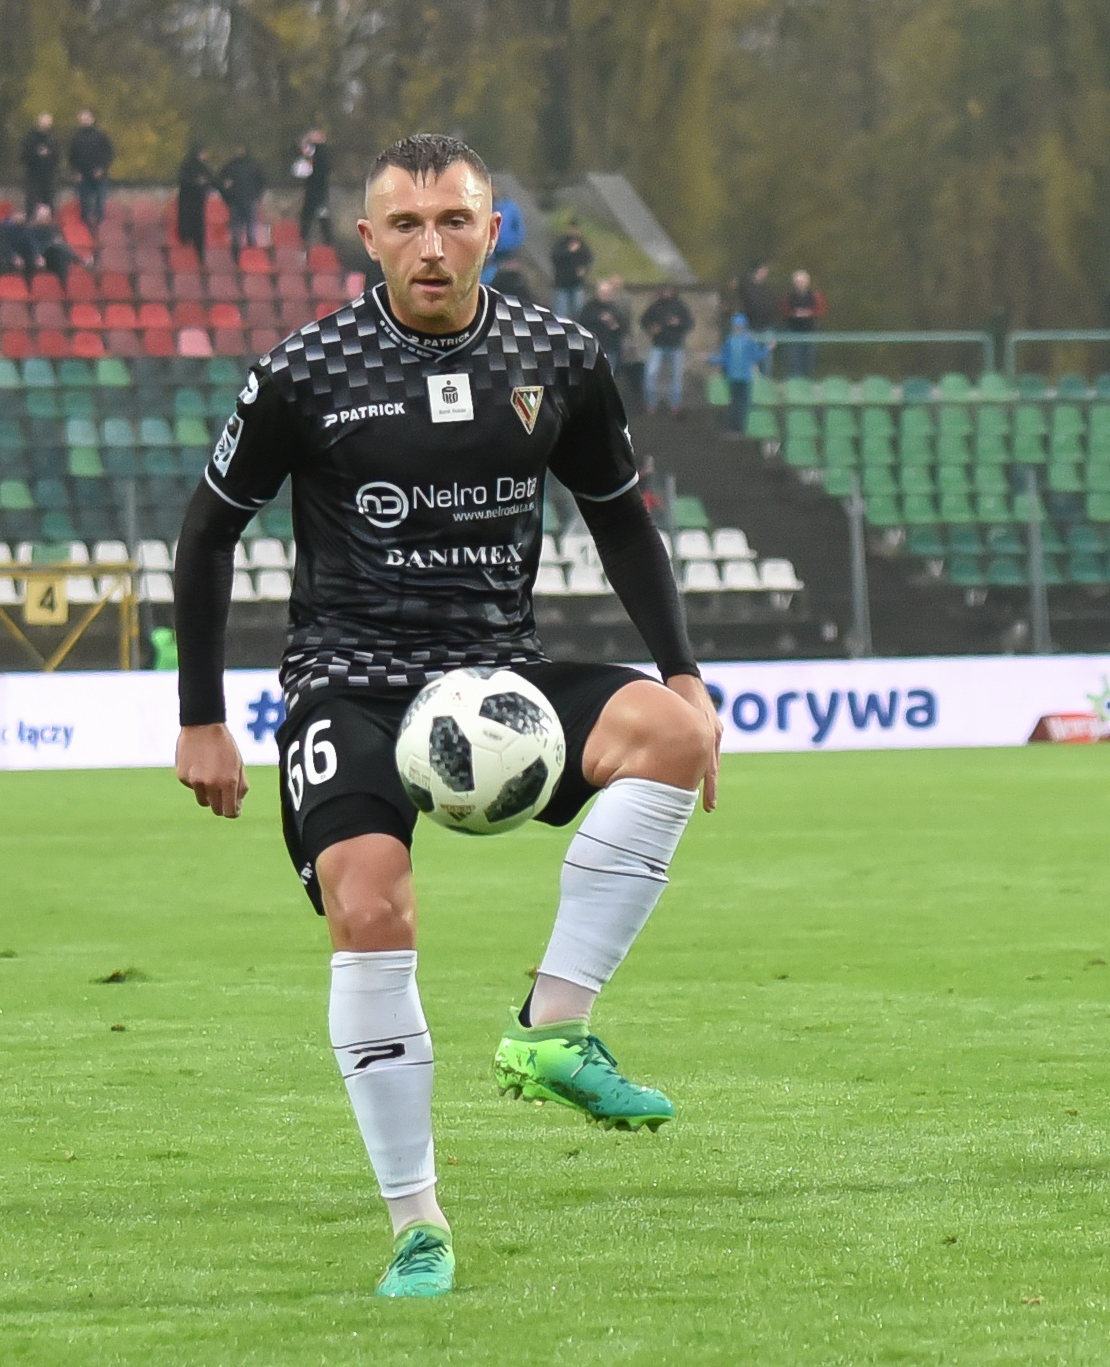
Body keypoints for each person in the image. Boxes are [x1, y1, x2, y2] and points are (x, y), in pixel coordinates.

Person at [172, 133, 721, 1300]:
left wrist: (682, 670)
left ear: (492, 231)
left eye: (454, 220)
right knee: (370, 904)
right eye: (407, 224)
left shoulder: (557, 356)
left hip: (496, 683)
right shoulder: (305, 370)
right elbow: (207, 530)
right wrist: (201, 716)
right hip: (349, 680)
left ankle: (552, 1028)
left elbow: (620, 517)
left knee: (673, 736)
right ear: (367, 238)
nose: (431, 245)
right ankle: (416, 1222)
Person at [709, 312, 773, 433]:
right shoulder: (743, 341)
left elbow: (723, 358)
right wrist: (767, 349)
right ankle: (740, 427)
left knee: (737, 403)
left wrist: (710, 359)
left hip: (738, 378)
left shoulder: (733, 340)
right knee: (741, 403)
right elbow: (756, 356)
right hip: (740, 378)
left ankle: (737, 427)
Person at [638, 284, 693, 416]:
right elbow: (643, 320)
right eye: (665, 291)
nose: (667, 293)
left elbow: (689, 323)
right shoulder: (656, 306)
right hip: (658, 345)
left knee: (676, 377)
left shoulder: (680, 306)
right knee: (650, 373)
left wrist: (678, 323)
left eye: (669, 291)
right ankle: (651, 404)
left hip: (676, 346)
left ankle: (675, 405)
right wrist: (651, 328)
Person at [67, 110, 115, 237]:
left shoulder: (100, 135)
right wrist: (75, 172)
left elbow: (109, 153)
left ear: (92, 119)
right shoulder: (76, 137)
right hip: (83, 176)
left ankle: (100, 225)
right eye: (82, 119)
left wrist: (102, 168)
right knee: (84, 202)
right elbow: (71, 156)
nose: (84, 121)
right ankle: (86, 228)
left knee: (100, 200)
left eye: (86, 118)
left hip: (99, 175)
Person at [576, 276, 630, 373]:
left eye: (607, 293)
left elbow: (623, 327)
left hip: (610, 348)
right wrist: (598, 318)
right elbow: (582, 323)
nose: (604, 295)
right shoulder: (589, 307)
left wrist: (614, 324)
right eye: (602, 292)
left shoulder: (616, 308)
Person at [220, 144, 266, 255]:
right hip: (245, 200)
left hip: (237, 200)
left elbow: (222, 183)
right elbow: (262, 182)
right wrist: (257, 197)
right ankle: (250, 250)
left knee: (239, 227)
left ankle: (239, 251)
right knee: (248, 226)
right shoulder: (253, 165)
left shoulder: (230, 166)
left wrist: (227, 196)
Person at [780, 269, 825, 378]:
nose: (801, 284)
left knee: (809, 360)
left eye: (803, 281)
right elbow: (784, 310)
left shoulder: (815, 295)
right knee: (793, 360)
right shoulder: (788, 296)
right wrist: (795, 314)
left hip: (810, 331)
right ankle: (793, 382)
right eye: (798, 281)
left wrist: (809, 314)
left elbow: (820, 310)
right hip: (793, 331)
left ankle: (807, 381)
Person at [293, 129, 333, 248]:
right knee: (317, 215)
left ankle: (309, 238)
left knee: (313, 214)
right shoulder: (319, 151)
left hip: (316, 188)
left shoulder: (319, 151)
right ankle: (326, 240)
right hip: (318, 188)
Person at [549, 220, 594, 319]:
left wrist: (584, 269)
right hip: (562, 284)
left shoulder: (582, 245)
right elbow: (555, 257)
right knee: (561, 314)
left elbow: (589, 259)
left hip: (576, 284)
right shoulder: (561, 243)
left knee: (578, 313)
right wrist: (569, 251)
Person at [175, 146, 215, 255]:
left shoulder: (187, 166)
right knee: (197, 230)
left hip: (189, 202)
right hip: (195, 202)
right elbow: (210, 180)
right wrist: (199, 182)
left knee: (188, 228)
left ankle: (188, 245)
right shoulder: (200, 167)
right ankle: (197, 254)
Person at [25, 203, 76, 285]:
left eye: (46, 215)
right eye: (42, 215)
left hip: (52, 254)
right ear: (36, 215)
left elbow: (61, 241)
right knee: (58, 246)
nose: (44, 218)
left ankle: (63, 285)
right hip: (37, 255)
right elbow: (31, 244)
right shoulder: (29, 229)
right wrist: (37, 256)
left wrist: (57, 241)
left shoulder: (54, 228)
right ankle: (79, 259)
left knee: (60, 252)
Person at [21, 113, 59, 210]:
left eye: (48, 123)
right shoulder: (30, 138)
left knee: (48, 200)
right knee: (32, 200)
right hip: (33, 174)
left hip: (48, 175)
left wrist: (49, 155)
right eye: (44, 123)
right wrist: (37, 154)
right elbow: (24, 156)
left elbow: (56, 156)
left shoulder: (52, 138)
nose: (46, 125)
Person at [484, 192, 523, 284]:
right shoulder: (486, 211)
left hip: (507, 249)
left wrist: (515, 242)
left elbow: (519, 228)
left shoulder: (510, 207)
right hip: (492, 249)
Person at [733, 261, 774, 332]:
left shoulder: (767, 288)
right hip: (749, 323)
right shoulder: (745, 286)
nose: (766, 274)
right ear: (758, 271)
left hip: (765, 324)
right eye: (764, 271)